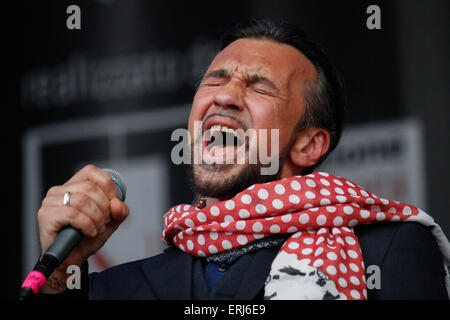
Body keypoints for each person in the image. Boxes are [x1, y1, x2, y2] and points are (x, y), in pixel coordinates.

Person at [34, 19, 449, 300]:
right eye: (214, 78)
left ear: (309, 145)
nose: (224, 95)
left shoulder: (385, 252)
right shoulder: (115, 289)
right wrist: (60, 276)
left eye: (260, 86)